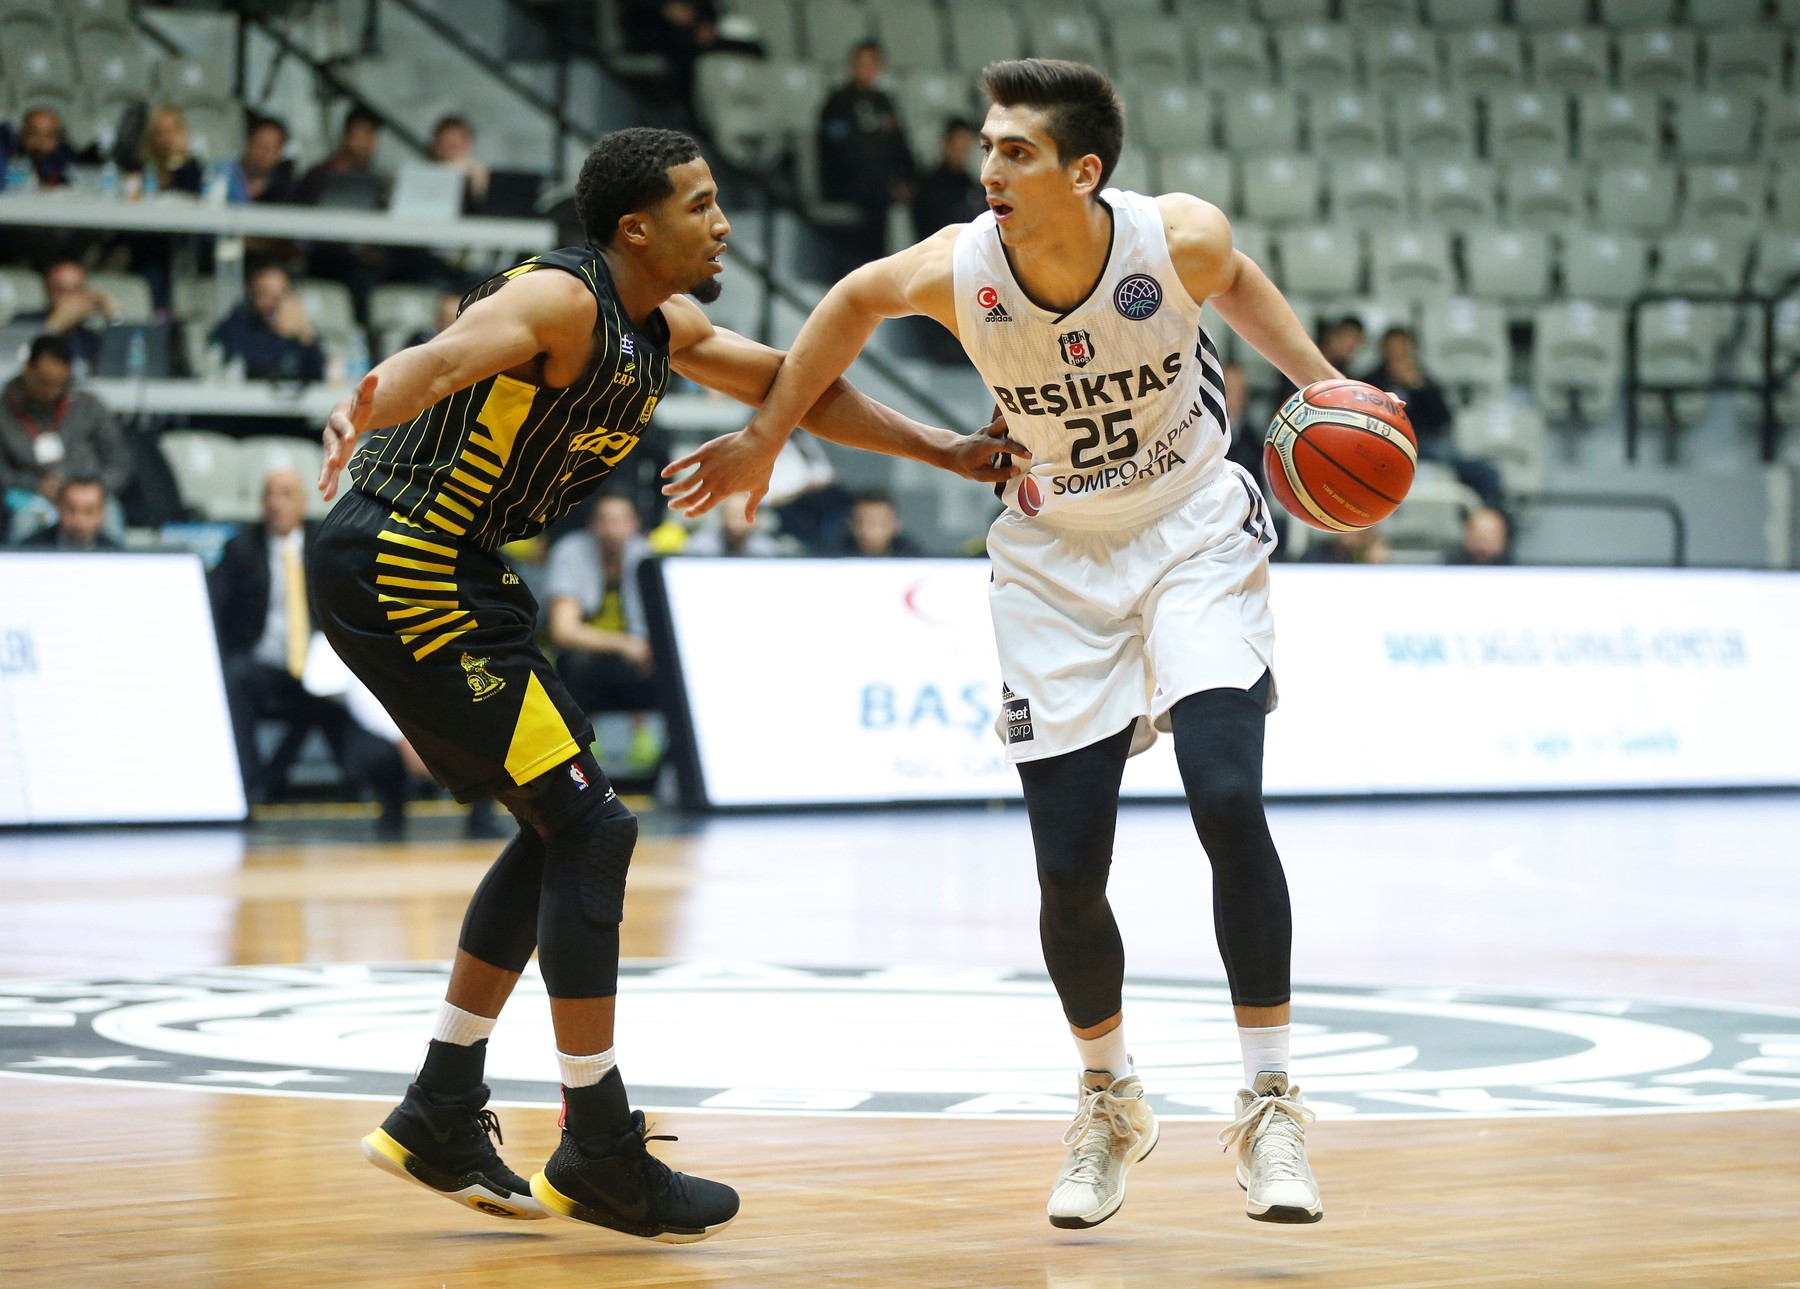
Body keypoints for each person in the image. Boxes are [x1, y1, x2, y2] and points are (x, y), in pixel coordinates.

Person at [308, 126, 1024, 1241]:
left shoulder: (661, 325)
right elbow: (447, 356)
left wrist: (949, 449)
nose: (722, 221)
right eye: (700, 204)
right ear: (635, 228)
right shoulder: (562, 301)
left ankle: (443, 1104)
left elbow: (797, 388)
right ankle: (596, 1143)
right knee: (591, 825)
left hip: (463, 573)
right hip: (402, 558)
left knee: (561, 823)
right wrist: (367, 399)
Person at [663, 59, 1332, 1228]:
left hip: (1190, 532)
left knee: (1227, 795)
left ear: (1085, 170)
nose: (988, 169)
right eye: (985, 146)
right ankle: (1108, 1096)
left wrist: (1330, 389)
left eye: (1014, 151)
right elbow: (849, 303)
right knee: (1070, 871)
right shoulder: (958, 265)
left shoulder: (1178, 240)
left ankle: (1271, 1099)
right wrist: (768, 434)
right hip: (1052, 561)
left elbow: (1255, 306)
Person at [209, 469, 356, 805]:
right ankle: (249, 787)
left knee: (343, 688)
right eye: (270, 495)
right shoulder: (241, 548)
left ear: (304, 504)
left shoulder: (326, 544)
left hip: (319, 665)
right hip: (266, 664)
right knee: (234, 678)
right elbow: (214, 606)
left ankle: (367, 778)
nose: (276, 503)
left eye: (286, 494)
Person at [543, 492, 657, 725]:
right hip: (591, 657)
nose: (615, 530)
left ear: (635, 523)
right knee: (576, 663)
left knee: (666, 665)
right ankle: (584, 738)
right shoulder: (571, 552)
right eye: (607, 521)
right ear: (593, 524)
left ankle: (652, 740)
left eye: (623, 520)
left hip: (636, 656)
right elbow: (564, 631)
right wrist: (624, 645)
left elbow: (660, 620)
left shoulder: (645, 553)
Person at [1362, 325, 1503, 509]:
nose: (1398, 352)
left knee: (1487, 474)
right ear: (1383, 350)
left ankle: (1487, 525)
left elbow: (1443, 419)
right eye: (1393, 347)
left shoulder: (1424, 379)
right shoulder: (1370, 382)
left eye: (1403, 346)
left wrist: (1419, 388)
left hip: (1426, 446)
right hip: (1387, 447)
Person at [0, 335, 131, 531]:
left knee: (111, 519)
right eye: (44, 382)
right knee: (24, 523)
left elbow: (120, 462)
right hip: (32, 496)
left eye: (60, 383)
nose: (52, 392)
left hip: (88, 494)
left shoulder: (88, 406)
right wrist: (35, 484)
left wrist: (93, 489)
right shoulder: (4, 411)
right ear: (27, 369)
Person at [817, 41, 915, 273]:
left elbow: (901, 145)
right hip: (848, 182)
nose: (866, 70)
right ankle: (869, 271)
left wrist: (909, 179)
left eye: (872, 64)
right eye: (861, 64)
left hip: (883, 183)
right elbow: (836, 153)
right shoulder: (838, 102)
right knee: (878, 195)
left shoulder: (885, 102)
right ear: (852, 66)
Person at [210, 264, 326, 382]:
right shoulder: (236, 324)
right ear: (252, 295)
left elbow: (318, 374)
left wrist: (305, 338)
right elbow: (254, 366)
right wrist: (281, 333)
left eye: (281, 294)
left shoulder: (297, 326)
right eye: (266, 294)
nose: (274, 302)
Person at [10, 261, 119, 372]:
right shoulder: (23, 322)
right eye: (60, 290)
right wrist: (53, 326)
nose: (68, 298)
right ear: (47, 292)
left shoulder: (88, 335)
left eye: (75, 290)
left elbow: (119, 362)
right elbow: (15, 363)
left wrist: (114, 318)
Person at [912, 118, 985, 240]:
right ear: (946, 144)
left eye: (966, 145)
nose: (963, 151)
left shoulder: (972, 185)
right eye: (959, 145)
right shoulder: (929, 187)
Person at [297, 106, 387, 206]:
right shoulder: (319, 176)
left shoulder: (376, 180)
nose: (370, 141)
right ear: (347, 136)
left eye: (374, 134)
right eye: (365, 132)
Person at [13, 475, 119, 550]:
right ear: (58, 507)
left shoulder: (117, 555)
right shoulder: (30, 550)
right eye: (70, 510)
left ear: (102, 513)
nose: (78, 521)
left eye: (89, 512)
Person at [226, 114, 299, 204]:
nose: (264, 154)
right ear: (248, 143)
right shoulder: (223, 177)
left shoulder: (285, 191)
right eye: (260, 146)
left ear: (280, 152)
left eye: (271, 149)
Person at [683, 493, 785, 556]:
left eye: (742, 516)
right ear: (722, 516)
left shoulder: (766, 549)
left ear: (755, 519)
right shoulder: (700, 546)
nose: (736, 522)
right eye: (732, 515)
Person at [133, 105, 204, 195]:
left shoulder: (191, 167)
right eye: (159, 132)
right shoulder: (145, 164)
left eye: (169, 131)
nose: (164, 137)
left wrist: (176, 160)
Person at [1, 107, 75, 188]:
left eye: (49, 135)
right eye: (33, 133)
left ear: (58, 140)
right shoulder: (7, 157)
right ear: (22, 133)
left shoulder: (64, 162)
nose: (40, 141)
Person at [429, 115, 490, 212]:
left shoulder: (479, 174)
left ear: (469, 143)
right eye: (445, 144)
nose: (449, 149)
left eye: (454, 146)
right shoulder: (424, 171)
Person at [834, 488, 920, 556]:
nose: (867, 531)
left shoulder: (914, 559)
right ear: (850, 524)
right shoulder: (832, 558)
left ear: (896, 525)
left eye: (877, 523)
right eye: (860, 523)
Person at [1447, 505, 1512, 565]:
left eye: (1488, 539)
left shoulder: (1515, 569)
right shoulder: (1449, 567)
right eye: (1479, 538)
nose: (1483, 544)